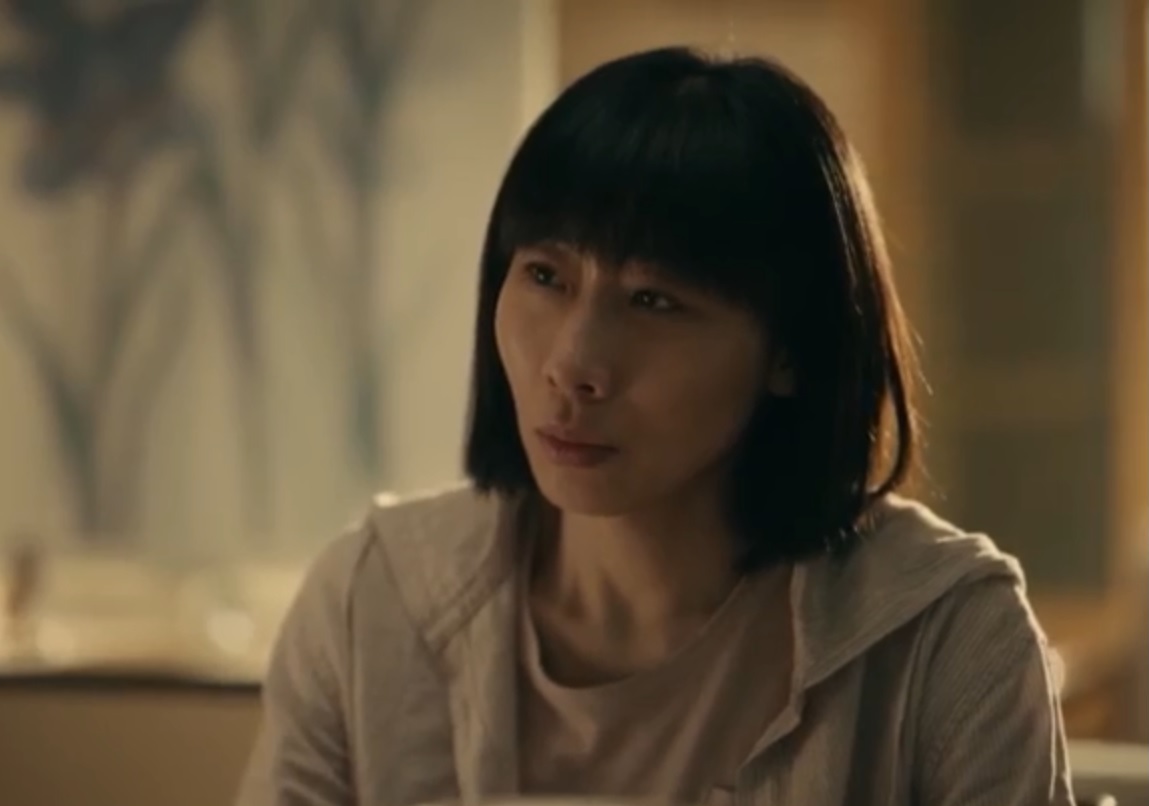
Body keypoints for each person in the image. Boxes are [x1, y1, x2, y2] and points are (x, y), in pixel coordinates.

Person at [237, 46, 1074, 806]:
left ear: (789, 351)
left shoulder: (942, 638)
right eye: (544, 276)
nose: (572, 363)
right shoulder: (372, 606)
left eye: (653, 300)